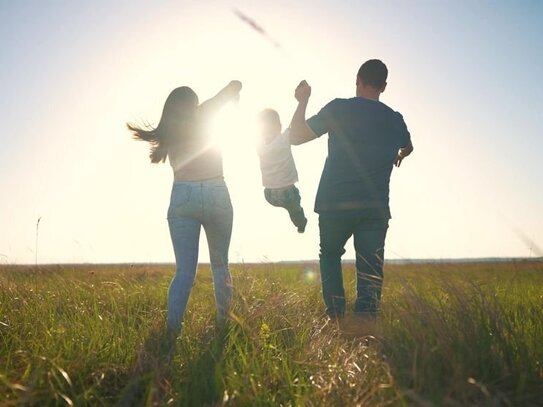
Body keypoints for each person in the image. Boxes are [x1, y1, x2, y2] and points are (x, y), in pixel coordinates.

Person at [289, 59, 413, 318]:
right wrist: (399, 154)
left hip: (334, 203)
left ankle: (335, 319)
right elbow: (408, 145)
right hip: (375, 209)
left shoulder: (339, 109)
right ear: (384, 86)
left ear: (357, 80)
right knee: (371, 268)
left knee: (331, 256)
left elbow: (296, 137)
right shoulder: (395, 119)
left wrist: (302, 100)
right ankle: (366, 328)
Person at [127, 81, 242, 334]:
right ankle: (224, 325)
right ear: (194, 103)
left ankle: (172, 330)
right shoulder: (205, 113)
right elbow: (232, 86)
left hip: (183, 194)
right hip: (215, 191)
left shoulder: (168, 131)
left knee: (184, 271)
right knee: (220, 265)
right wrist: (235, 93)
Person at [256, 108, 307, 233]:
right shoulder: (284, 139)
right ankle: (301, 225)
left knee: (291, 207)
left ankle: (298, 219)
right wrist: (301, 103)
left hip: (269, 195)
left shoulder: (259, 146)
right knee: (295, 209)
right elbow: (295, 125)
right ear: (279, 126)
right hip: (288, 193)